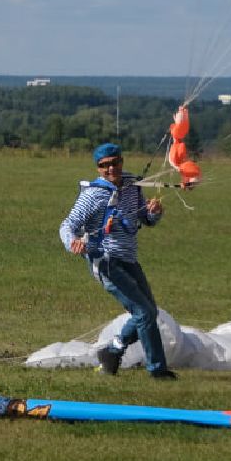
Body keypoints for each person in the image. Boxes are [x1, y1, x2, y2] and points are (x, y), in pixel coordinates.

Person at [59, 142, 176, 380]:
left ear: (122, 161)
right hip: (106, 261)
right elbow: (67, 225)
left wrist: (154, 212)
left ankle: (112, 351)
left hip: (130, 260)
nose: (110, 169)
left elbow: (145, 218)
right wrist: (73, 241)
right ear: (98, 168)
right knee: (143, 312)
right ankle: (158, 370)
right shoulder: (92, 194)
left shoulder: (133, 187)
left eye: (115, 163)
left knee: (149, 312)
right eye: (104, 166)